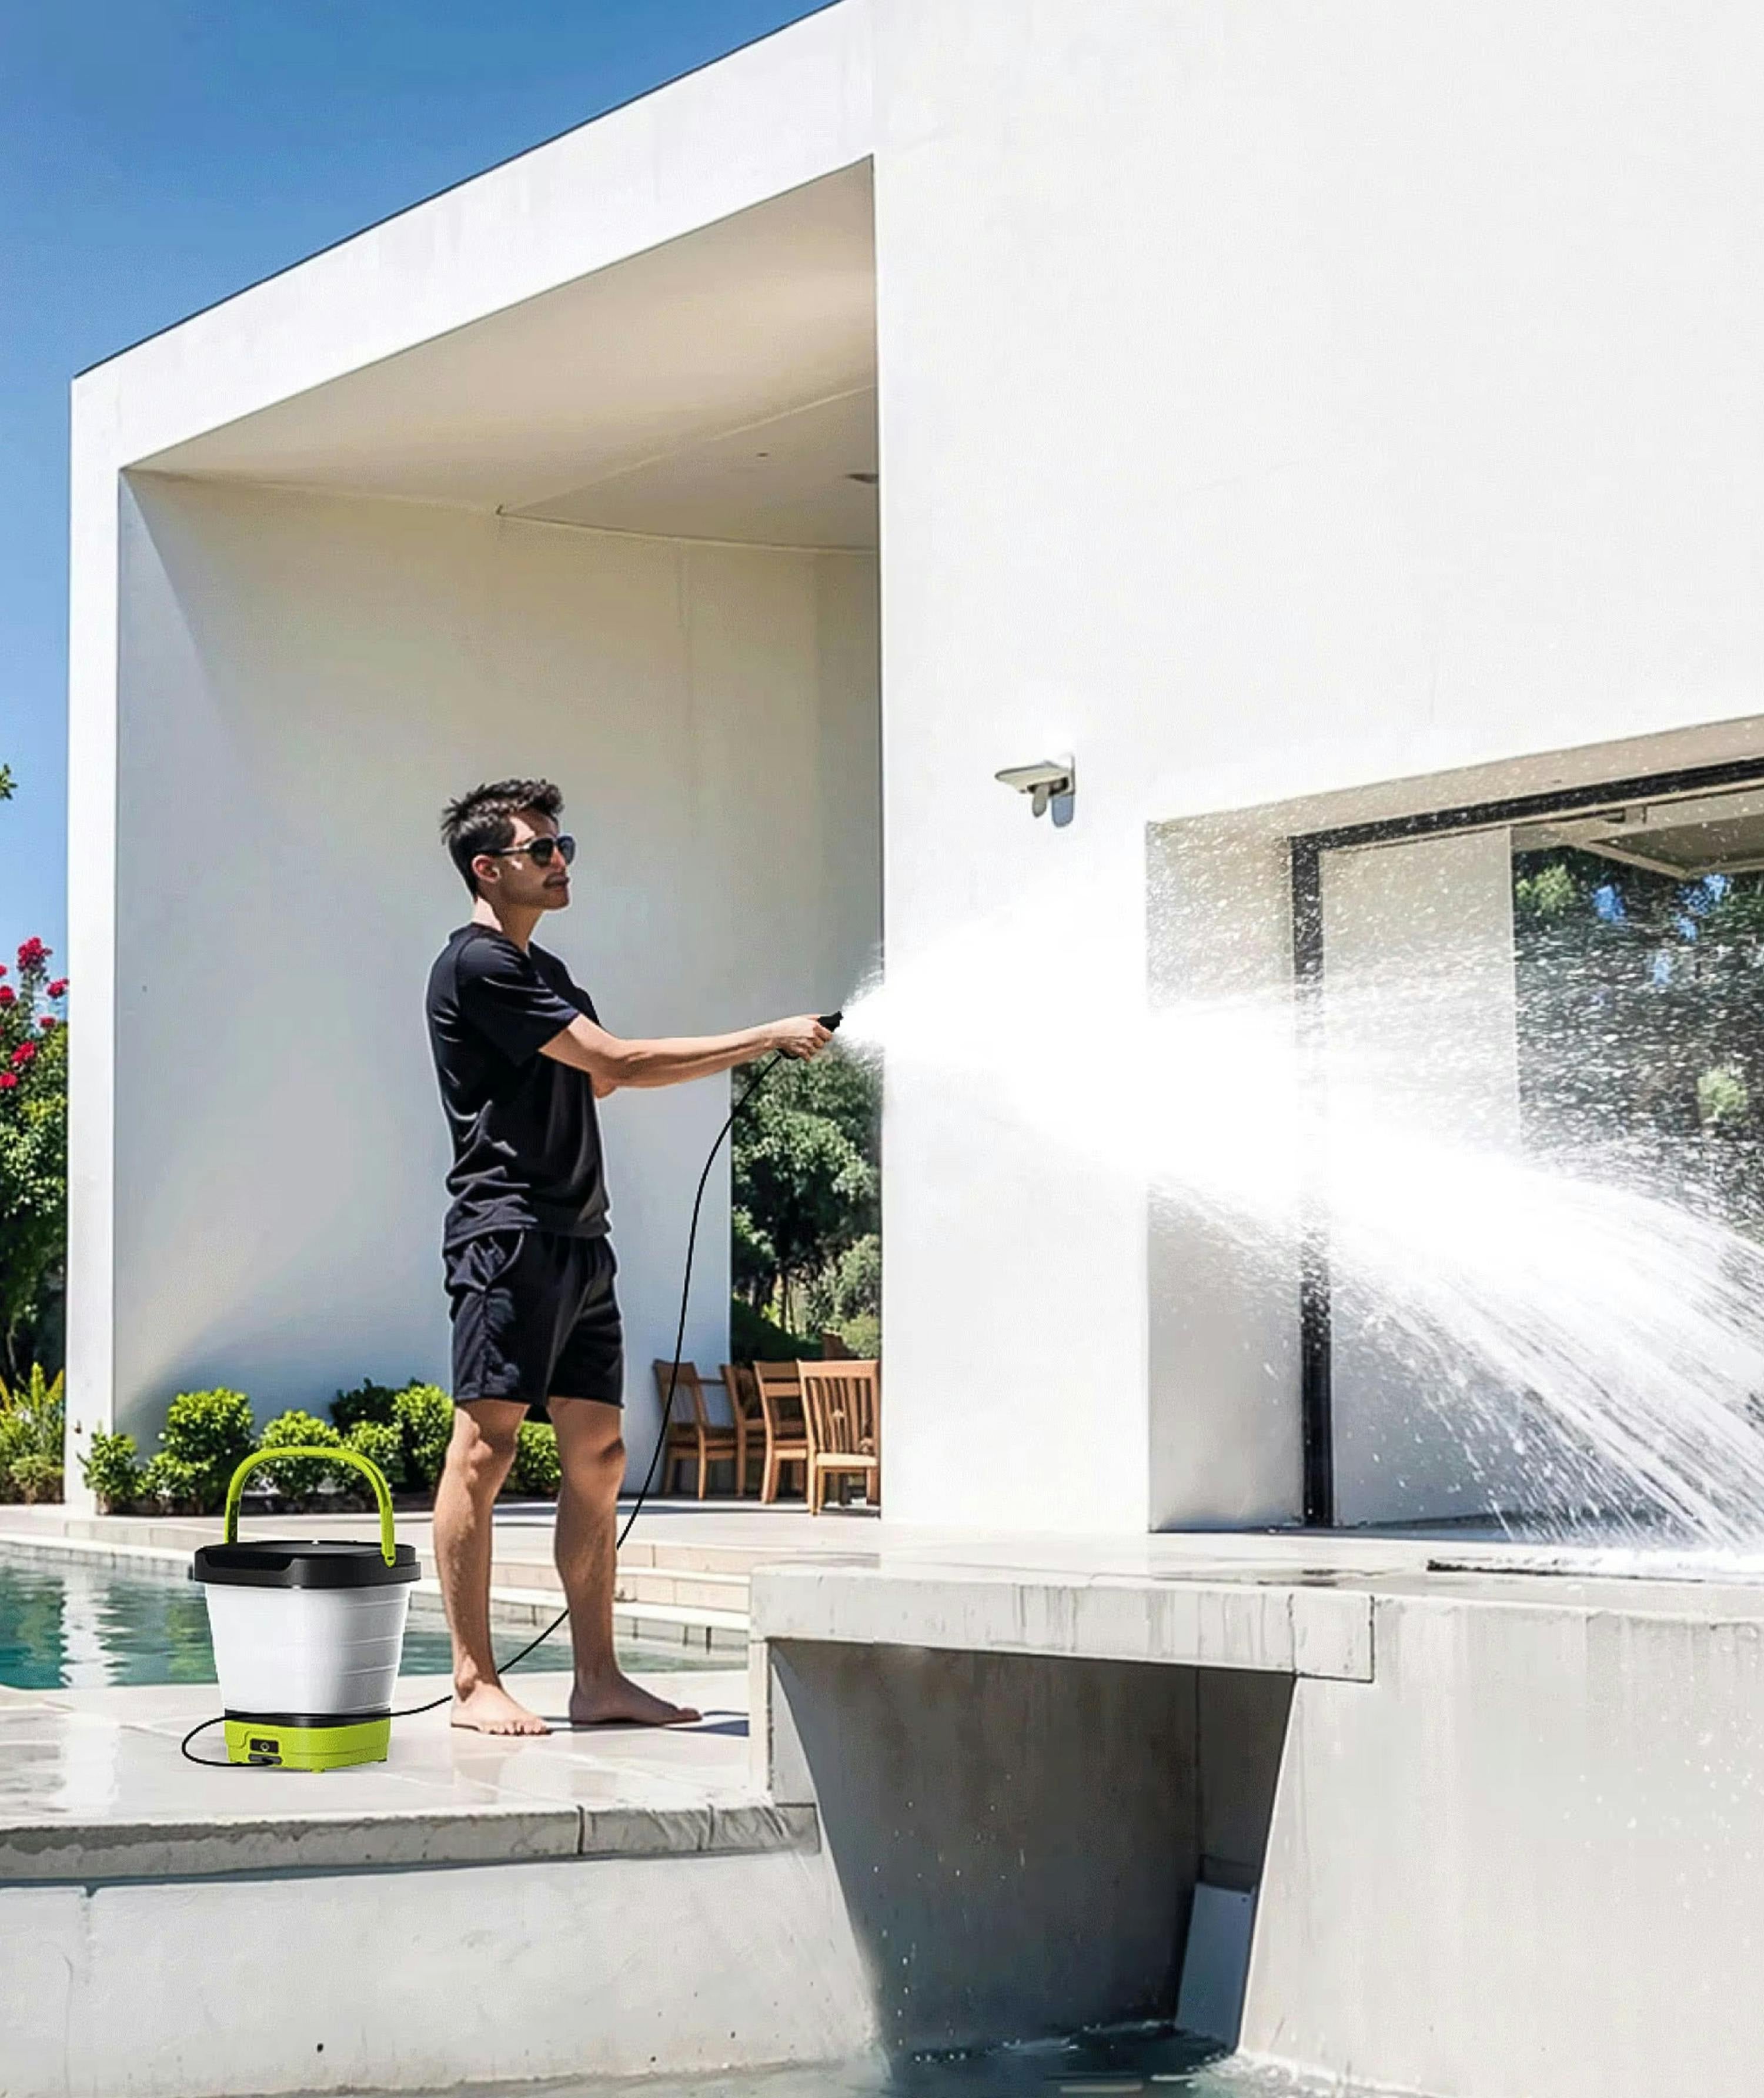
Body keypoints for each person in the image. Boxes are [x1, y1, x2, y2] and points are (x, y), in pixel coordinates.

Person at [426, 778, 831, 1735]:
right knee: (485, 1449)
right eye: (540, 850)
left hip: (580, 1237)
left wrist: (642, 1060)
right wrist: (764, 1037)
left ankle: (598, 1680)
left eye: (564, 846)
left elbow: (600, 1079)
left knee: (600, 1454)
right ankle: (474, 1682)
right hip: (506, 1232)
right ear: (488, 869)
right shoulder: (476, 966)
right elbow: (617, 1063)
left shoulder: (551, 975)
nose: (560, 861)